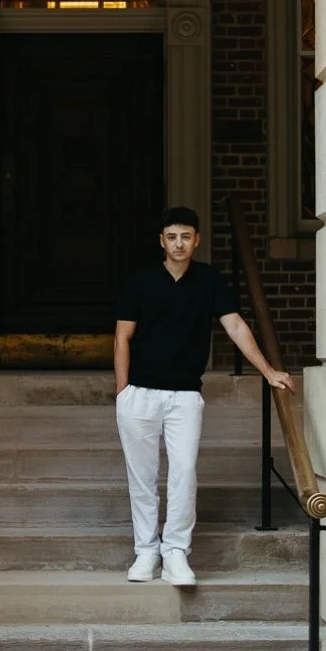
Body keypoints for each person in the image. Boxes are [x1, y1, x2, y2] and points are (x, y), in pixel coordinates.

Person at [114, 206, 295, 587]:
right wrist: (123, 392)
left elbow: (236, 327)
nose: (179, 243)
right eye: (171, 236)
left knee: (183, 472)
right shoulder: (140, 281)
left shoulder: (210, 281)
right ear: (161, 241)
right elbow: (122, 338)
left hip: (184, 395)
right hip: (140, 394)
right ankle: (146, 552)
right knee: (142, 477)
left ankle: (176, 551)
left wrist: (268, 371)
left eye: (186, 236)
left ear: (196, 240)